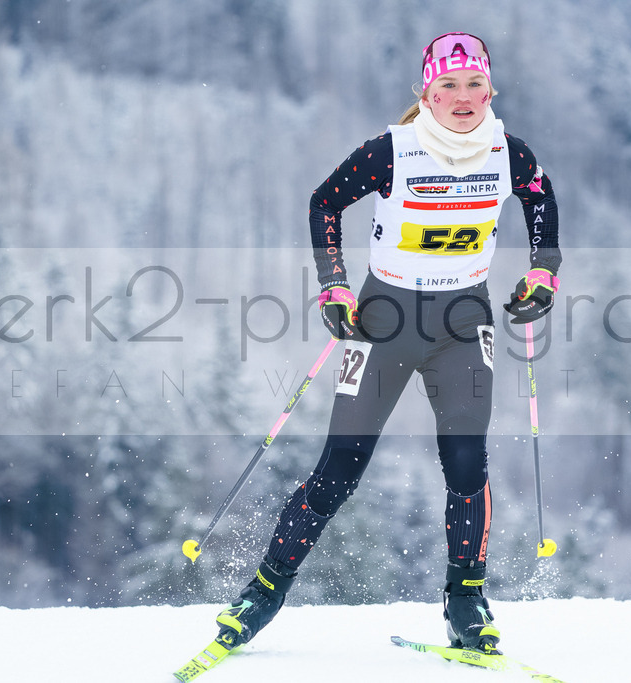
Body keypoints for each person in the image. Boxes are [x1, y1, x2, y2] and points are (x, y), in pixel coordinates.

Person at [212, 32, 561, 654]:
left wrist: (542, 272)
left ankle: (465, 602)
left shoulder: (511, 154)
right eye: (447, 86)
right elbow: (325, 202)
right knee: (340, 467)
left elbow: (541, 205)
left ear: (491, 89)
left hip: (463, 321)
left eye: (474, 84)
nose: (462, 97)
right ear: (425, 93)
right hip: (383, 319)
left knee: (465, 464)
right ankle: (261, 593)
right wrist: (335, 286)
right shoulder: (392, 151)